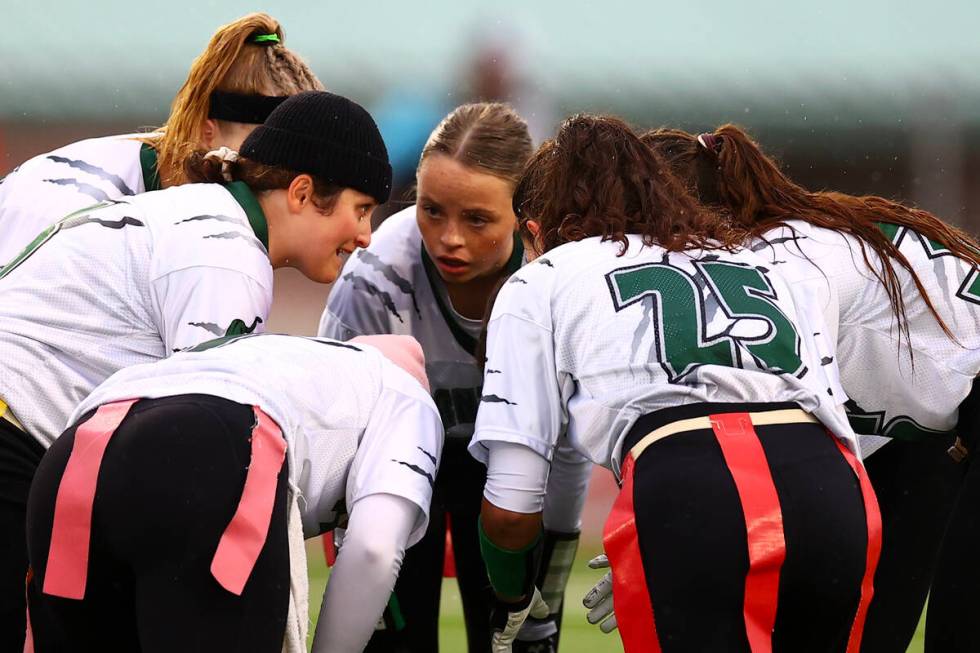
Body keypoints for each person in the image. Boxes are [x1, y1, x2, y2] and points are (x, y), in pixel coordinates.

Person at [473, 115, 881, 653]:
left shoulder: (542, 279)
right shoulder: (758, 262)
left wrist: (512, 599)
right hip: (836, 493)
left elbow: (510, 506)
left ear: (536, 229)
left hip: (687, 487)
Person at [0, 90, 390, 649]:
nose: (365, 235)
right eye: (361, 209)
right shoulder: (226, 254)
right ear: (303, 192)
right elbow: (201, 445)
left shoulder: (204, 219)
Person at [643, 125, 980, 653]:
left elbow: (781, 438)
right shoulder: (787, 242)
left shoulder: (781, 262)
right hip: (931, 432)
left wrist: (683, 536)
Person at [319, 102, 588, 652]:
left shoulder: (560, 281)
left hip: (510, 479)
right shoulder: (374, 277)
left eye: (477, 219)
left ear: (524, 214)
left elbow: (568, 455)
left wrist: (549, 583)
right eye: (432, 210)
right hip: (396, 470)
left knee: (513, 639)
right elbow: (339, 436)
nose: (449, 238)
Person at [24, 333, 442, 653]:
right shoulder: (407, 395)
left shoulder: (271, 359)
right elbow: (374, 548)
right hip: (208, 450)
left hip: (75, 454)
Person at [0, 11, 323, 263]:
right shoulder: (71, 196)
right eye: (260, 147)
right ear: (205, 130)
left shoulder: (201, 222)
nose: (278, 173)